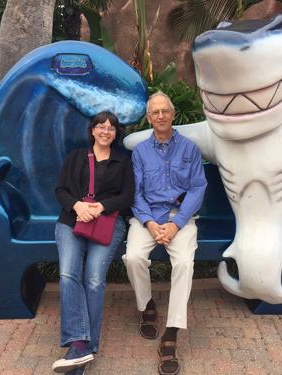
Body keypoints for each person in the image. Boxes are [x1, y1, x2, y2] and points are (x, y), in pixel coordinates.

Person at [123, 91, 207, 375]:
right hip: (147, 218)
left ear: (172, 115)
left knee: (184, 263)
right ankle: (147, 305)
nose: (160, 116)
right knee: (133, 257)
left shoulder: (189, 149)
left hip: (179, 220)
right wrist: (148, 223)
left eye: (165, 111)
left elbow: (198, 188)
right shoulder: (140, 153)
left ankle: (171, 333)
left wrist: (177, 223)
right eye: (155, 112)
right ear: (149, 118)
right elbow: (134, 193)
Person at [52, 111, 134, 375]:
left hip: (108, 222)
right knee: (67, 275)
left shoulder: (123, 162)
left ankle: (85, 347)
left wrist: (101, 206)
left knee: (95, 279)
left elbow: (128, 197)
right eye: (101, 126)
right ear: (92, 131)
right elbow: (60, 190)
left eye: (111, 128)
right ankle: (80, 345)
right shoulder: (76, 157)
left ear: (115, 133)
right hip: (71, 221)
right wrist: (77, 205)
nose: (106, 131)